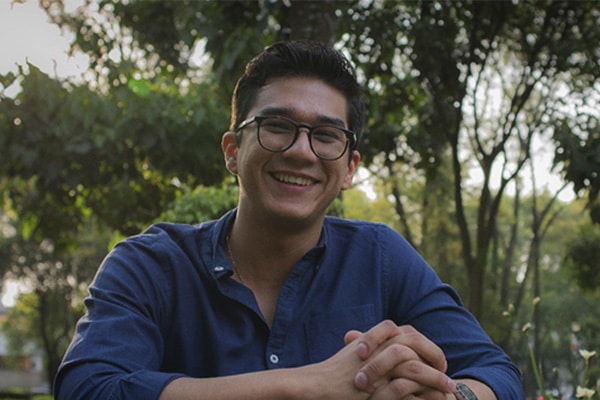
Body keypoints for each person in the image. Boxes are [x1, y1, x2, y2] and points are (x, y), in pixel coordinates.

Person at [54, 40, 524, 400]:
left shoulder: (382, 257)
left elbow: (498, 375)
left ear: (349, 168)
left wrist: (452, 396)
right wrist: (312, 385)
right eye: (277, 126)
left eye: (326, 135)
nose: (302, 151)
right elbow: (88, 388)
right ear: (232, 152)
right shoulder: (148, 265)